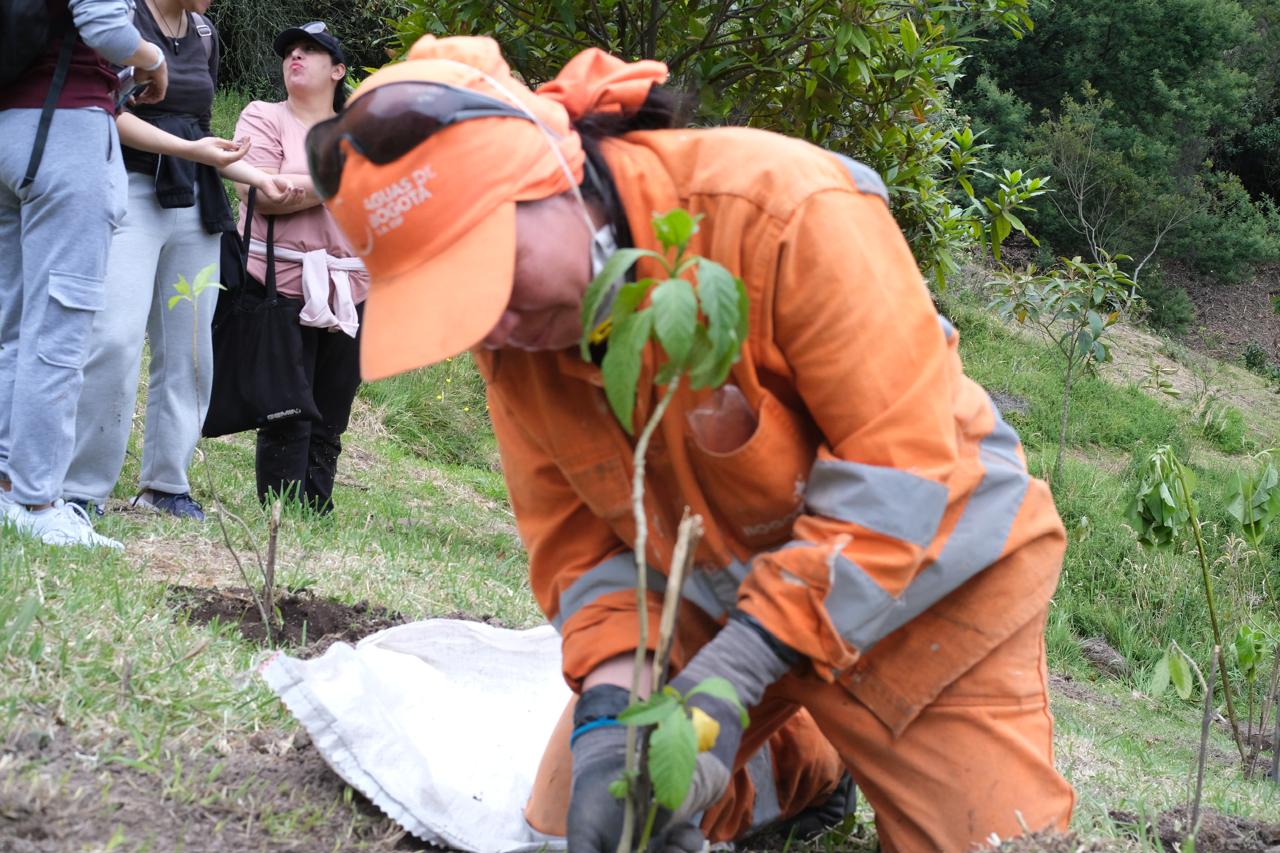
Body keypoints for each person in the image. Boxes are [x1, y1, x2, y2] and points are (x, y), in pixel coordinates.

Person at [308, 35, 1075, 852]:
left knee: (1000, 841)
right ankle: (805, 762)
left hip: (931, 591)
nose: (489, 322)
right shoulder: (515, 341)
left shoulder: (783, 206)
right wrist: (608, 717)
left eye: (490, 274)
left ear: (554, 177)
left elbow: (905, 473)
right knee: (579, 819)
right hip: (724, 605)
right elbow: (584, 557)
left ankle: (833, 733)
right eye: (452, 298)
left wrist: (736, 677)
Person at [61, 0, 297, 523]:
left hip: (195, 203)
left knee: (191, 349)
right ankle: (81, 489)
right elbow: (108, 114)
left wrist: (256, 177)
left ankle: (166, 484)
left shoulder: (206, 32)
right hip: (130, 193)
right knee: (114, 340)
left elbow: (199, 129)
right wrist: (193, 152)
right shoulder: (124, 22)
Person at [0, 0, 171, 548]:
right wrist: (154, 60)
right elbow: (103, 26)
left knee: (14, 328)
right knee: (61, 329)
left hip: (11, 129)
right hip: (66, 136)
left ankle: (8, 485)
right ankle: (35, 499)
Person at [230, 22, 368, 516]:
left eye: (311, 50)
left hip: (352, 283)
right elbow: (261, 196)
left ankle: (316, 505)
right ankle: (281, 507)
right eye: (290, 49)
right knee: (288, 402)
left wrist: (299, 182)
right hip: (278, 280)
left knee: (333, 403)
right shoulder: (262, 116)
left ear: (338, 70)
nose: (296, 56)